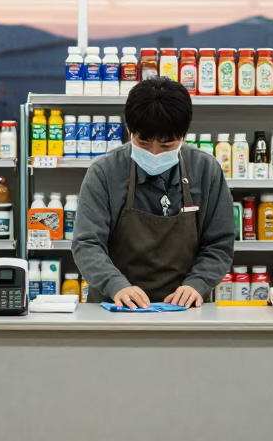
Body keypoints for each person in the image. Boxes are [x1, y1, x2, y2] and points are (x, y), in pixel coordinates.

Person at [72, 76, 235, 308]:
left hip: (185, 310)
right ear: (129, 130)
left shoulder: (206, 171)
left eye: (167, 146)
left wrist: (198, 282)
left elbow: (219, 244)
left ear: (183, 136)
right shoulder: (104, 172)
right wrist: (115, 284)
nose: (155, 153)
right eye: (144, 144)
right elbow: (87, 243)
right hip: (115, 309)